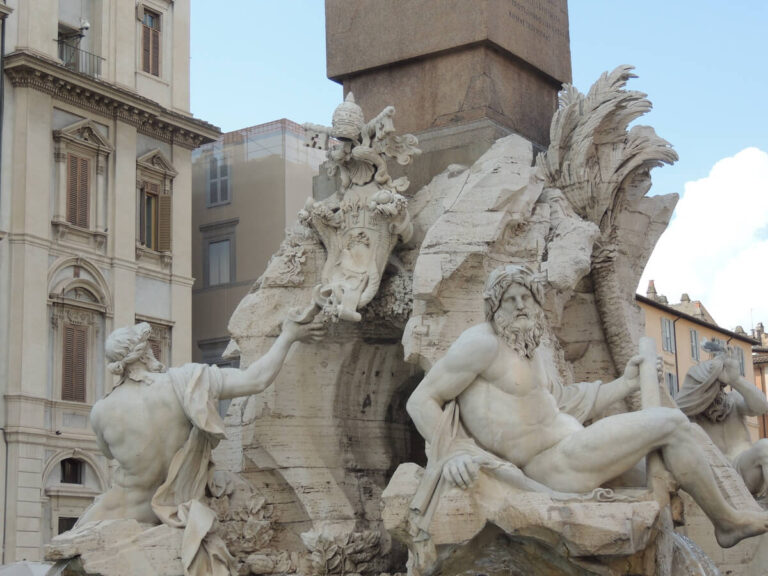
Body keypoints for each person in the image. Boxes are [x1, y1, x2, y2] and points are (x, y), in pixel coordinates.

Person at [406, 265, 768, 549]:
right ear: (494, 306)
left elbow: (564, 401)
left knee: (675, 456)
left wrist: (624, 384)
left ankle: (731, 510)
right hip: (550, 465)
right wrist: (452, 452)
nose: (520, 305)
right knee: (672, 422)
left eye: (527, 298)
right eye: (510, 299)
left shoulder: (533, 347)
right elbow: (421, 400)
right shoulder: (480, 344)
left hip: (575, 448)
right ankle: (727, 523)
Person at [74, 312, 323, 576]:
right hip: (170, 517)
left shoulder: (101, 411)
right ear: (145, 353)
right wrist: (289, 335)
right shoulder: (186, 383)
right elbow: (255, 380)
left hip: (111, 516)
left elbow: (107, 453)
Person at [677, 340, 768, 498]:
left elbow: (761, 407)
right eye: (709, 388)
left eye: (719, 387)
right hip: (716, 478)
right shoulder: (688, 417)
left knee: (765, 447)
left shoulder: (732, 400)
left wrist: (735, 380)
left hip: (744, 467)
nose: (716, 393)